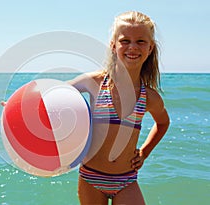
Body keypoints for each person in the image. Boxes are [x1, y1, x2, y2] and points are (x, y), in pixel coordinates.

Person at [68, 11, 170, 205]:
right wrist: (23, 106)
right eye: (125, 41)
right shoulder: (95, 82)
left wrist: (144, 152)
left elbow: (163, 123)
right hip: (91, 177)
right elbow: (55, 94)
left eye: (140, 41)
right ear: (114, 46)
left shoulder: (149, 97)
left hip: (126, 180)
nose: (132, 47)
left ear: (150, 48)